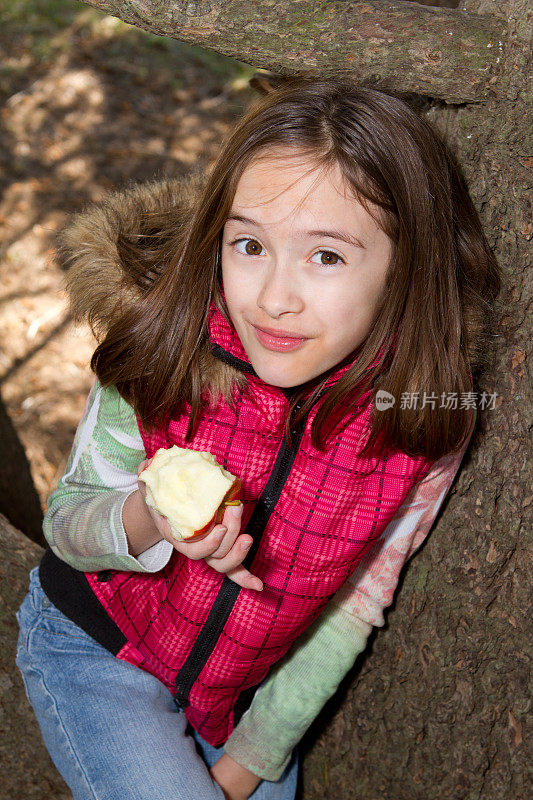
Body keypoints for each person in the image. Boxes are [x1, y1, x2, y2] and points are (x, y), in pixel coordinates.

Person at [15, 79, 500, 800]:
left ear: (406, 266)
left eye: (326, 256)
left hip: (235, 696)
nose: (274, 297)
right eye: (249, 245)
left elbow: (356, 606)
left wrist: (251, 759)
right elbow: (68, 523)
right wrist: (151, 518)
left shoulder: (420, 423)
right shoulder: (162, 353)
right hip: (96, 646)